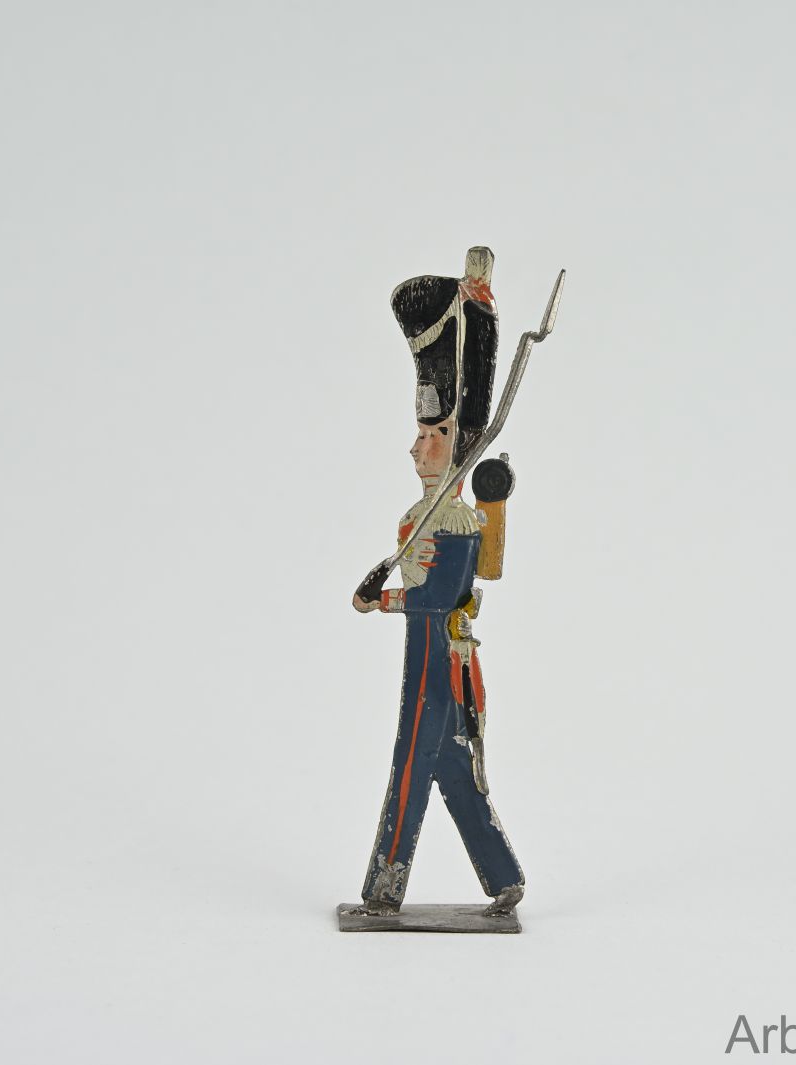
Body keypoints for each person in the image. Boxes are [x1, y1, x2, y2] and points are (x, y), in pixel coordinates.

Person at [342, 249, 524, 919]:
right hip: (428, 657)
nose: (418, 448)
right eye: (419, 435)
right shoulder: (420, 514)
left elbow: (435, 598)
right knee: (447, 767)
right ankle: (504, 876)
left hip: (436, 658)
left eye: (433, 435)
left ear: (459, 442)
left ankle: (383, 891)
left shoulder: (457, 520)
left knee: (410, 767)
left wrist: (379, 600)